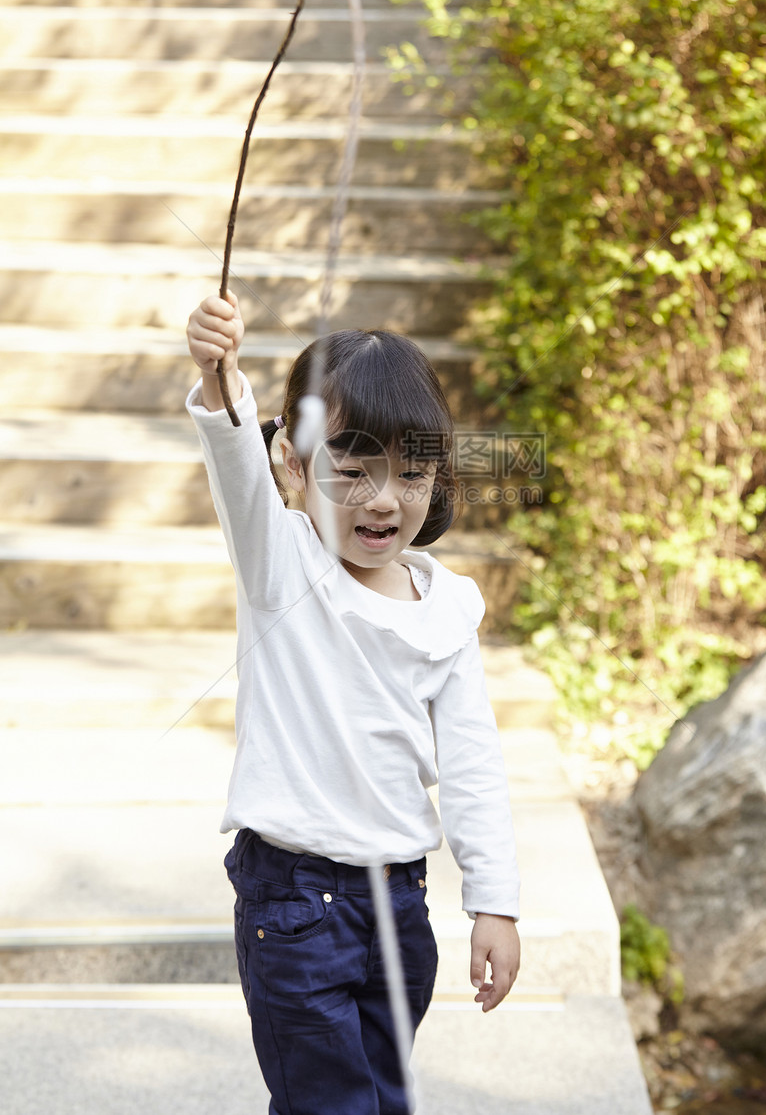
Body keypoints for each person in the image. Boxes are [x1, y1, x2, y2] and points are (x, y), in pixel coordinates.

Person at [186, 290, 521, 1115]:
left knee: (380, 1097)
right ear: (295, 469)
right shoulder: (283, 566)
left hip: (400, 905)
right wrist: (221, 373)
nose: (383, 499)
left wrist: (495, 901)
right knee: (331, 1105)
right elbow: (236, 461)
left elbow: (474, 762)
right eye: (353, 469)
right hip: (296, 904)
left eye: (411, 471)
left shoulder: (448, 608)